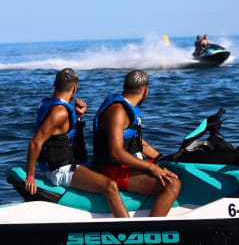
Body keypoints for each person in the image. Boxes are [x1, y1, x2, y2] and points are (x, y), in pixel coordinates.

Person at [25, 68, 129, 218]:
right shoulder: (59, 112)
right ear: (75, 87)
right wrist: (30, 177)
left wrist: (78, 117)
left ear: (55, 84)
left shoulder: (51, 104)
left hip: (63, 164)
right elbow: (35, 142)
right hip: (60, 169)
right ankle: (129, 230)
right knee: (110, 186)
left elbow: (62, 136)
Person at [93, 70, 181, 217]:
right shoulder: (118, 111)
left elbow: (136, 140)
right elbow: (116, 153)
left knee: (170, 167)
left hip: (126, 164)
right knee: (172, 184)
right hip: (111, 169)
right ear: (145, 91)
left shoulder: (129, 107)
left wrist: (161, 158)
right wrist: (151, 167)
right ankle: (152, 232)